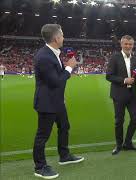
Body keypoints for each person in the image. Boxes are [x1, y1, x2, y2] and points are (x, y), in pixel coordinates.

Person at [33, 24, 84, 179]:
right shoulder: (44, 56)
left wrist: (62, 95)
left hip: (57, 101)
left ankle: (64, 155)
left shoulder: (53, 53)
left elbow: (57, 78)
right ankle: (40, 167)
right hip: (47, 103)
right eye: (62, 35)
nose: (63, 37)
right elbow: (55, 81)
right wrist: (69, 68)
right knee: (43, 136)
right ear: (56, 38)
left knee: (64, 126)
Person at [106, 35, 136, 155]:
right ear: (121, 44)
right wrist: (124, 80)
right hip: (118, 94)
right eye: (126, 44)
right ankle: (119, 145)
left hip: (132, 95)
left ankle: (128, 142)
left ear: (133, 45)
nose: (128, 46)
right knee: (119, 121)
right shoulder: (114, 57)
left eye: (130, 44)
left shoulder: (135, 59)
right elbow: (109, 76)